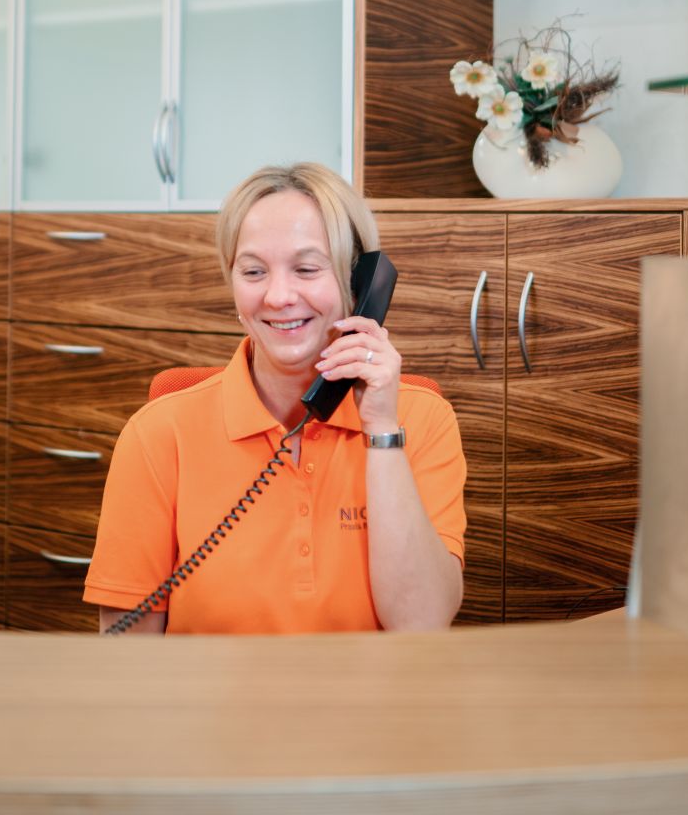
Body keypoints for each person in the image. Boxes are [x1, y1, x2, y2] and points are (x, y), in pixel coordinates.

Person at [84, 163, 466, 634]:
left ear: (360, 285)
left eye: (306, 268)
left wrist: (382, 430)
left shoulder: (422, 420)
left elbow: (421, 626)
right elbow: (128, 652)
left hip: (371, 707)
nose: (278, 295)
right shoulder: (158, 434)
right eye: (253, 271)